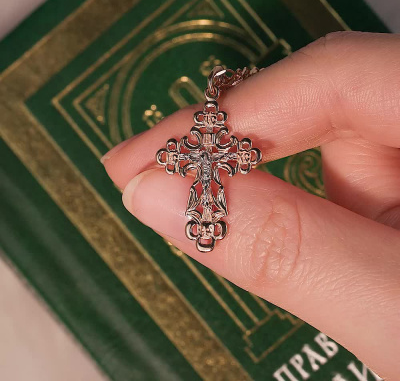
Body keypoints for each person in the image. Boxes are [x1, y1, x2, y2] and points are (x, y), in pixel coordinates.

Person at [102, 32, 400, 379]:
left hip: (210, 184)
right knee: (206, 191)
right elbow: (177, 155)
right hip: (205, 185)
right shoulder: (194, 152)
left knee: (208, 193)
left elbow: (233, 154)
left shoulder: (216, 150)